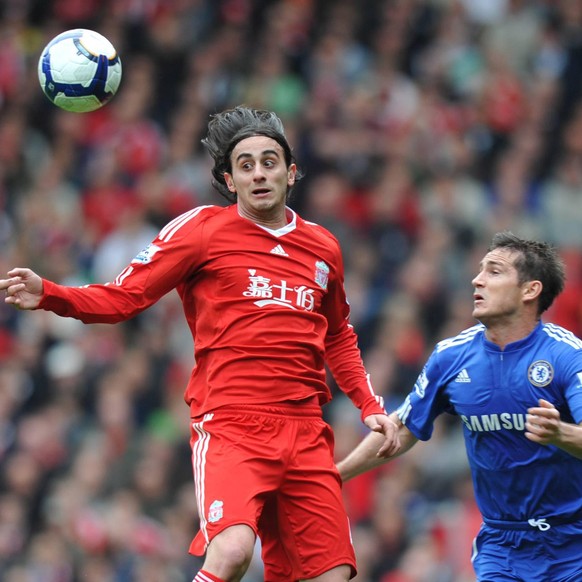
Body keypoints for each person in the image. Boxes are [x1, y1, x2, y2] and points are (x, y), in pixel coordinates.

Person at [0, 106, 399, 582]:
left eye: (269, 161)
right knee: (231, 553)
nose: (258, 174)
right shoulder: (202, 231)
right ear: (229, 181)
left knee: (331, 576)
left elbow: (338, 333)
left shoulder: (323, 247)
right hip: (233, 424)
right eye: (245, 165)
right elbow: (126, 296)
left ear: (290, 172)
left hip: (306, 430)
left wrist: (367, 403)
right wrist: (51, 293)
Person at [337, 231, 582, 582]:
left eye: (494, 272)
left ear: (531, 290)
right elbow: (404, 428)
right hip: (501, 544)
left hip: (573, 542)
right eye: (480, 270)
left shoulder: (567, 356)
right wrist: (338, 474)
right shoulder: (451, 356)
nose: (477, 279)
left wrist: (561, 433)